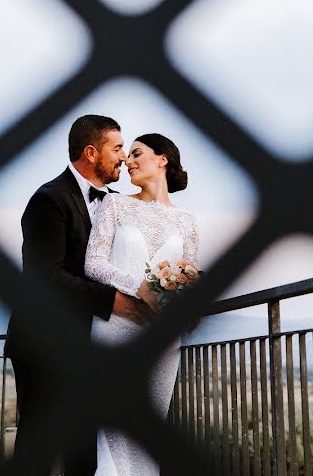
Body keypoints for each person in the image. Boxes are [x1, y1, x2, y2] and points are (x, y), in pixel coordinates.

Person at [4, 115, 155, 476]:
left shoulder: (119, 204)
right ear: (91, 152)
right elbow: (45, 277)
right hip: (45, 347)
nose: (123, 157)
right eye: (117, 148)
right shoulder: (48, 200)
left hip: (94, 349)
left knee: (85, 453)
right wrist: (114, 302)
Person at [84, 133, 198, 476]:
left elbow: (188, 280)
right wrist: (140, 288)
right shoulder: (115, 205)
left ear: (162, 159)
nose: (127, 161)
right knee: (113, 427)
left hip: (162, 340)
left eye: (136, 153)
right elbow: (93, 263)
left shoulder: (187, 222)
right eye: (126, 155)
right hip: (115, 331)